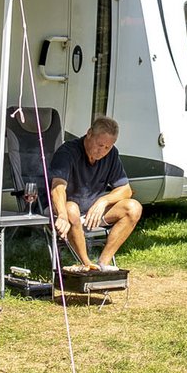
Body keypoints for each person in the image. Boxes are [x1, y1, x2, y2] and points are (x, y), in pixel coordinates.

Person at [49, 116, 142, 272]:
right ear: (89, 133)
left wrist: (103, 201)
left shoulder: (111, 155)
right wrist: (62, 215)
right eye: (100, 145)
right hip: (65, 210)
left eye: (108, 147)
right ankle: (87, 265)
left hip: (91, 212)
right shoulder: (68, 152)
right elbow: (58, 187)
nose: (103, 151)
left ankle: (103, 264)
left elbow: (126, 189)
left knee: (133, 208)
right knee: (72, 209)